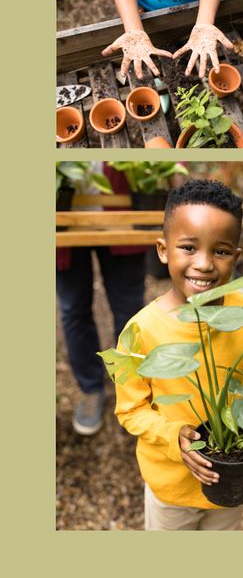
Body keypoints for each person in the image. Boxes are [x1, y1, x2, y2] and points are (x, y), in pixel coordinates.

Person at [110, 180, 243, 530]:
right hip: (171, 488)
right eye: (189, 248)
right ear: (163, 250)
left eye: (221, 251)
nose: (205, 264)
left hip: (235, 481)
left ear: (237, 257)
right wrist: (172, 436)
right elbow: (130, 409)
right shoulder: (140, 330)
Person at [56, 164, 145, 436]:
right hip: (62, 216)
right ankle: (91, 389)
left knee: (129, 312)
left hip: (121, 209)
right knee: (74, 310)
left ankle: (132, 391)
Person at [104, 0, 233, 80]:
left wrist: (205, 21)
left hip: (198, 8)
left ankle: (188, 73)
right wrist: (133, 28)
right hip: (150, 8)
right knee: (152, 46)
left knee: (190, 48)